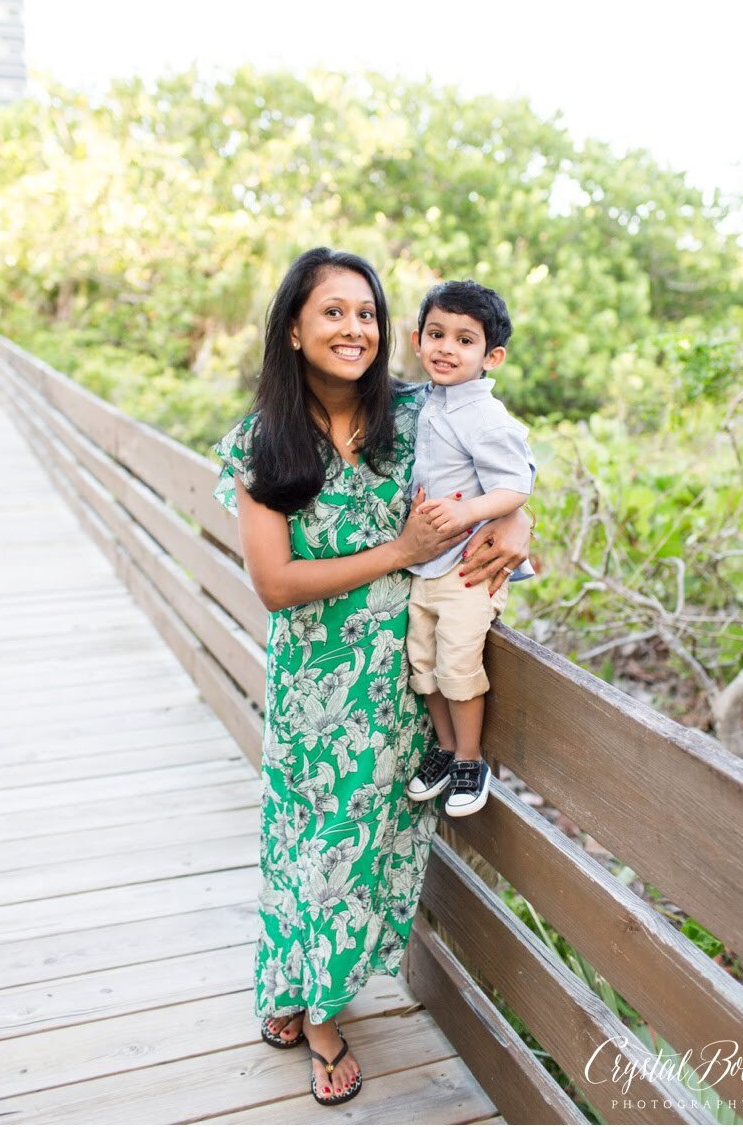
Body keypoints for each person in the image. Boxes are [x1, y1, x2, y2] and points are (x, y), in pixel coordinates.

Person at [212, 246, 530, 1107]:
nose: (354, 328)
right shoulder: (260, 444)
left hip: (406, 683)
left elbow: (498, 462)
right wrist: (401, 551)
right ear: (293, 329)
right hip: (319, 689)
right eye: (333, 312)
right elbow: (275, 585)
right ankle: (319, 1018)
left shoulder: (419, 407)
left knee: (374, 851)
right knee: (311, 849)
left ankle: (296, 985)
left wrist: (521, 522)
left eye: (366, 314)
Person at [402, 281, 536, 817]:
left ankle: (470, 758)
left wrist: (471, 512)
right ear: (417, 340)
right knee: (423, 663)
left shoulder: (485, 415)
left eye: (464, 340)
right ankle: (445, 747)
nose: (446, 348)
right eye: (436, 334)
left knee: (458, 661)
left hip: (467, 570)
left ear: (491, 355)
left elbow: (516, 483)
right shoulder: (428, 400)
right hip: (425, 566)